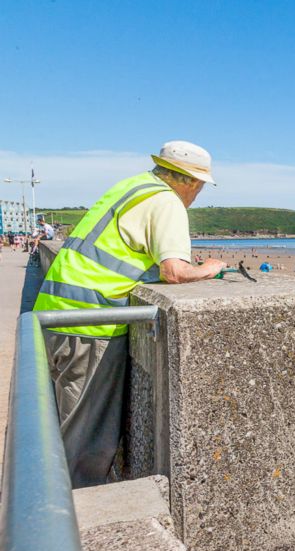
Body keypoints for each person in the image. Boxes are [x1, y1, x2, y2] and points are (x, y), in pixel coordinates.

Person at [34, 141, 226, 487]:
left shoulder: (131, 187)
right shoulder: (167, 201)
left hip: (53, 314)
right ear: (192, 182)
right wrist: (209, 269)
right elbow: (175, 271)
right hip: (90, 324)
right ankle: (71, 523)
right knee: (84, 437)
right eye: (199, 188)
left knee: (53, 425)